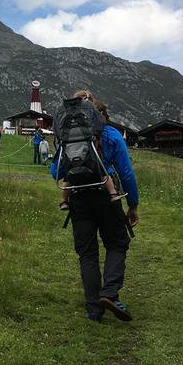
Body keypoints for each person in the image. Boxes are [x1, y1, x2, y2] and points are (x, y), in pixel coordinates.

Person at [51, 91, 139, 322]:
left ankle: (94, 309)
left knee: (87, 253)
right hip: (106, 197)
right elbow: (126, 173)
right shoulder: (110, 134)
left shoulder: (68, 136)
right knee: (117, 243)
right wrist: (133, 205)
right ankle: (109, 293)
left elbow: (55, 171)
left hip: (78, 198)